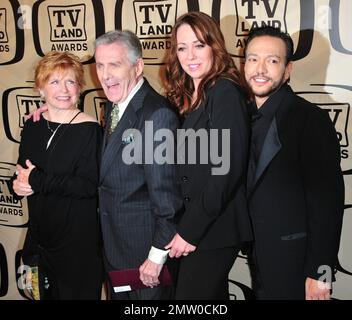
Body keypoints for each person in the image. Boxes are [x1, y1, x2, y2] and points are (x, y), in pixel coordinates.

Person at [244, 26, 344, 300]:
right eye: (253, 59)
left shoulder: (309, 120)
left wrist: (320, 274)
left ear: (288, 69)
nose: (260, 69)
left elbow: (328, 205)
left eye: (272, 60)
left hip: (298, 265)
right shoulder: (240, 117)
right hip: (257, 259)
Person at [163, 12, 252, 299]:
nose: (190, 55)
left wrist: (190, 230)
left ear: (215, 46)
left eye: (199, 45)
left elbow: (227, 170)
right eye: (182, 47)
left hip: (215, 226)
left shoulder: (224, 91)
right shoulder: (193, 93)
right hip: (202, 224)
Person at [94, 30, 182, 300]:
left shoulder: (157, 115)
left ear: (138, 66)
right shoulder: (114, 105)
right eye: (99, 65)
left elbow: (168, 199)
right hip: (115, 249)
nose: (105, 74)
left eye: (115, 64)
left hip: (144, 259)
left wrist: (156, 258)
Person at [11, 51, 103, 299]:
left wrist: (37, 180)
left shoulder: (90, 130)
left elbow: (88, 186)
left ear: (80, 88)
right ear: (41, 89)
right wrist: (17, 186)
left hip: (77, 249)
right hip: (39, 243)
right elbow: (22, 172)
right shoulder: (32, 125)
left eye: (70, 81)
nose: (63, 89)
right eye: (54, 82)